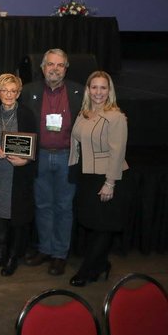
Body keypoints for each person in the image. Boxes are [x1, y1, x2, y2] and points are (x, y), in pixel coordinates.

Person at [20, 49, 83, 276]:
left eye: (59, 65)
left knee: (64, 207)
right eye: (50, 64)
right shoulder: (29, 91)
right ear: (42, 67)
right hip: (41, 156)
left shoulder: (79, 92)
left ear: (66, 69)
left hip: (68, 156)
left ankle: (59, 254)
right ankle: (45, 249)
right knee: (43, 205)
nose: (54, 69)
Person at [68, 71, 129, 287]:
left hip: (106, 177)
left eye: (103, 88)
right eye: (94, 87)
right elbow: (76, 142)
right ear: (88, 89)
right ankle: (102, 264)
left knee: (103, 226)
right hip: (87, 175)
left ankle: (88, 270)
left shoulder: (116, 117)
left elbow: (118, 152)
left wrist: (109, 183)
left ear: (110, 91)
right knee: (93, 224)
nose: (98, 92)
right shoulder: (83, 113)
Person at [0, 74, 37, 277]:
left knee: (17, 217)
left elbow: (34, 145)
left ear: (18, 93)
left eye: (13, 91)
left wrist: (26, 160)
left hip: (17, 173)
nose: (8, 94)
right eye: (4, 90)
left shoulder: (26, 114)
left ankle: (13, 257)